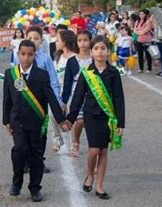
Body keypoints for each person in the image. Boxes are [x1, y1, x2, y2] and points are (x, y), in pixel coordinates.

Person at [2, 39, 70, 202]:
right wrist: (6, 120)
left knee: (36, 155)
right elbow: (7, 99)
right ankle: (16, 182)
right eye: (23, 54)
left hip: (37, 122)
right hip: (17, 121)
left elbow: (51, 98)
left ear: (35, 56)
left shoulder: (41, 75)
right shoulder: (10, 74)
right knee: (19, 150)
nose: (26, 58)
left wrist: (61, 120)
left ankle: (35, 188)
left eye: (30, 55)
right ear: (18, 54)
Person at [67, 35, 125, 200]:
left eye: (103, 48)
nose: (100, 52)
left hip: (108, 117)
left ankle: (99, 186)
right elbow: (78, 97)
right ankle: (90, 175)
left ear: (108, 51)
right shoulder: (86, 73)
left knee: (104, 151)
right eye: (97, 49)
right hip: (91, 115)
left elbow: (119, 98)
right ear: (91, 52)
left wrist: (121, 122)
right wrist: (70, 119)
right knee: (94, 149)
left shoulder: (113, 73)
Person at [63, 30, 92, 157]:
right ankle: (76, 143)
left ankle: (94, 146)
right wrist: (63, 101)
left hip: (93, 95)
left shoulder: (95, 59)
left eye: (85, 40)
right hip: (77, 95)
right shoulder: (72, 61)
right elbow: (67, 83)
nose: (83, 43)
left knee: (93, 123)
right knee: (79, 121)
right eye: (80, 40)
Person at [53, 29, 77, 152]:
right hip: (58, 92)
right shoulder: (57, 57)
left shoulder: (74, 58)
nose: (56, 42)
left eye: (58, 39)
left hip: (71, 93)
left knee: (71, 117)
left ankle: (74, 143)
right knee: (53, 114)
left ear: (65, 41)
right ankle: (57, 139)